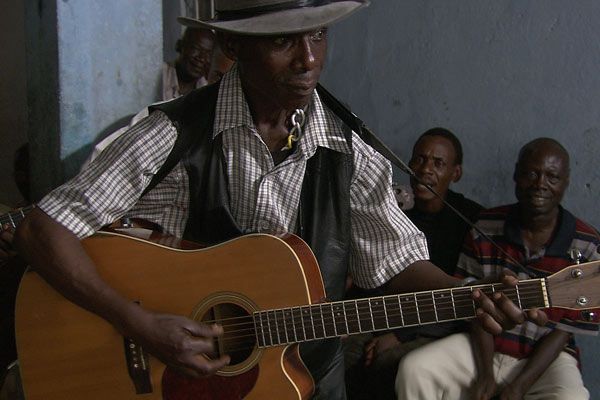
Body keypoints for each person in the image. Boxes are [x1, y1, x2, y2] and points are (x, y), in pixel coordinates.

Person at [13, 2, 544, 399]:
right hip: (180, 381)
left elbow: (395, 259)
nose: (308, 59)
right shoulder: (173, 133)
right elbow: (43, 229)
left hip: (305, 377)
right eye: (282, 41)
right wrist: (139, 324)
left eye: (316, 34)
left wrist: (466, 292)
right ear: (234, 48)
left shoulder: (346, 149)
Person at [395, 137, 600, 400]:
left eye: (552, 177)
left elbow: (566, 330)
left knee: (572, 396)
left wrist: (518, 386)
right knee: (415, 369)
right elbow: (470, 300)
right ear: (516, 175)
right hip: (483, 347)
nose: (540, 184)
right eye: (531, 173)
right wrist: (485, 374)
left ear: (566, 182)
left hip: (546, 359)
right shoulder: (486, 225)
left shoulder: (588, 244)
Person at [345, 128, 483, 400]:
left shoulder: (469, 220)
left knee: (388, 363)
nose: (425, 169)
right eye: (419, 159)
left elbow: (456, 298)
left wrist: (401, 334)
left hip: (431, 326)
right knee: (339, 356)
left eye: (438, 163)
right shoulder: (390, 210)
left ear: (456, 174)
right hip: (378, 316)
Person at [163, 27, 215, 100]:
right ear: (180, 46)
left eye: (208, 54)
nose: (202, 58)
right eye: (196, 49)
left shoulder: (207, 89)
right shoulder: (160, 76)